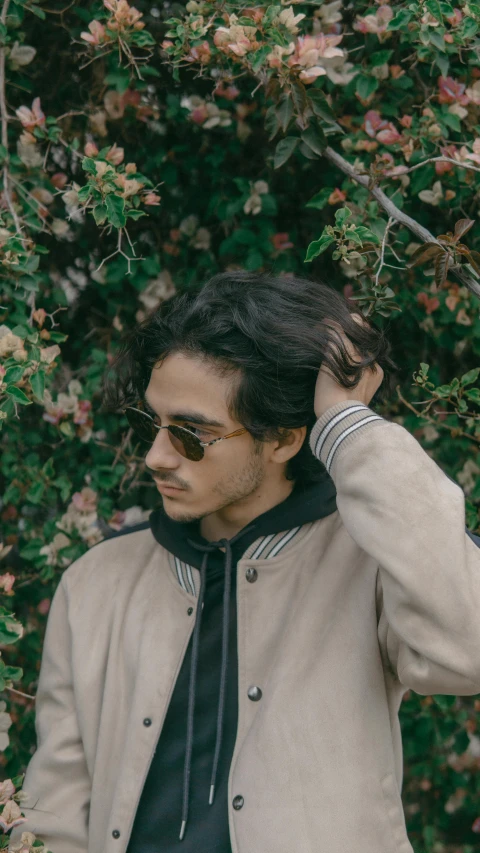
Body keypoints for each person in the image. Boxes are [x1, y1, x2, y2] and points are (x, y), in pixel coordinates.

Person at [10, 271, 480, 853]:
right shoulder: (96, 584)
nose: (156, 456)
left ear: (283, 439)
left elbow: (468, 648)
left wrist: (348, 425)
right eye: (151, 422)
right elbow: (55, 815)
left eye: (191, 434)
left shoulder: (366, 565)